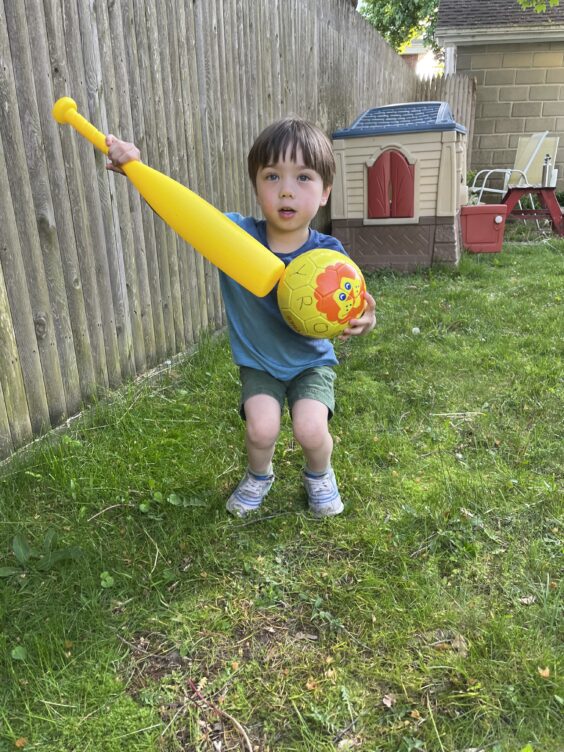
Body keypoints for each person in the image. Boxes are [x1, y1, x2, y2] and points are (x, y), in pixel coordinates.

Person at [106, 117, 376, 518]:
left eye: (303, 177)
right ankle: (259, 475)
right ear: (256, 186)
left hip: (311, 363)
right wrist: (134, 168)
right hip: (260, 363)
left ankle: (319, 475)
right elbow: (185, 215)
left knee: (310, 429)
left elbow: (358, 302)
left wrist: (366, 316)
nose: (286, 189)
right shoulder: (236, 238)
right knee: (261, 428)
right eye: (272, 176)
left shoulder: (330, 256)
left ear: (325, 193)